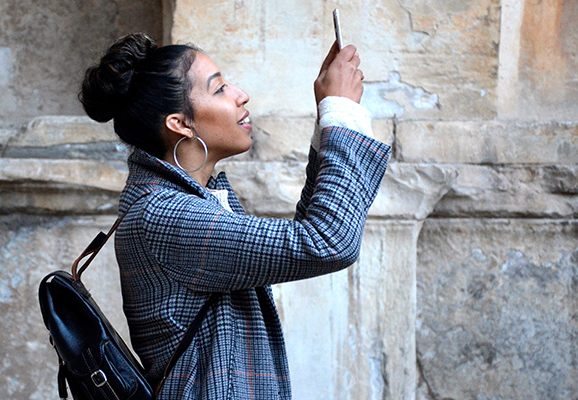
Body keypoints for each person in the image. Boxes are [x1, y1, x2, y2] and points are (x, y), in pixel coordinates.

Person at [79, 32, 389, 399]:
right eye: (219, 88)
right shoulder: (164, 214)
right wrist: (342, 111)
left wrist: (329, 117)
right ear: (181, 124)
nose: (240, 94)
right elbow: (327, 241)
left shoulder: (189, 199)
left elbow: (305, 234)